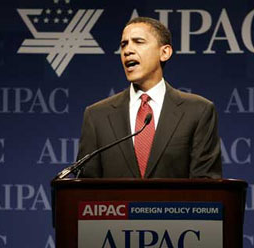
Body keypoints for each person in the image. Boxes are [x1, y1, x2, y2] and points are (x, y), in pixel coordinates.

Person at [77, 17, 222, 179]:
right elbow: (86, 190)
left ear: (164, 53)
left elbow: (206, 185)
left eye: (138, 42)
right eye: (124, 44)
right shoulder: (97, 115)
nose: (127, 50)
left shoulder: (198, 111)